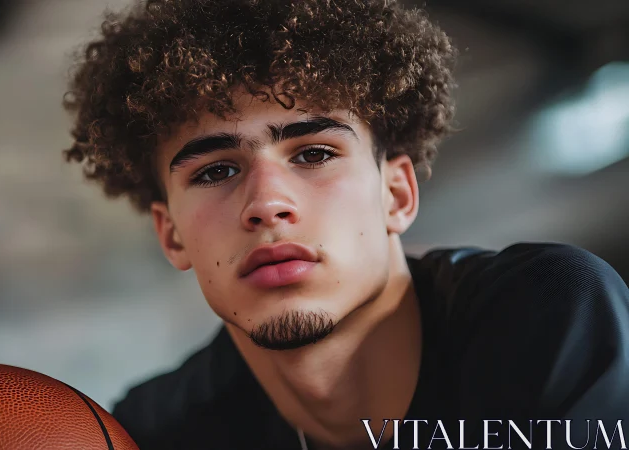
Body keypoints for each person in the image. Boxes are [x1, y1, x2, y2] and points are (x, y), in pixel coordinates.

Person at [61, 0, 629, 448]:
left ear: (396, 194)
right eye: (216, 171)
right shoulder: (158, 429)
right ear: (171, 235)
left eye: (314, 154)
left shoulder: (546, 311)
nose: (267, 204)